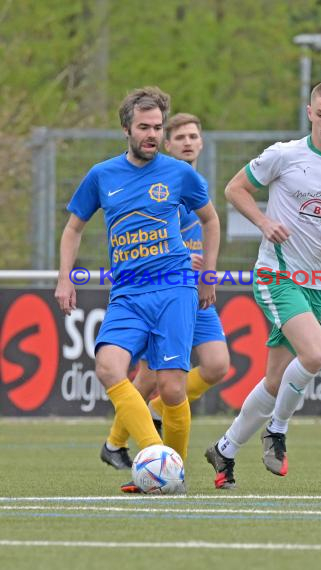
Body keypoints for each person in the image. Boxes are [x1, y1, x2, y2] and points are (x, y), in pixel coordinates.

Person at [205, 81, 321, 489]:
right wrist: (263, 222)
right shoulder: (285, 155)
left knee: (276, 381)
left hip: (316, 284)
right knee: (315, 354)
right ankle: (277, 429)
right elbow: (233, 188)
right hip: (276, 275)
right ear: (309, 112)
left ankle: (224, 450)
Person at [55, 87, 220, 474]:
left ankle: (167, 472)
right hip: (128, 293)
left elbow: (211, 220)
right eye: (144, 127)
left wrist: (208, 274)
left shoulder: (179, 173)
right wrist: (65, 277)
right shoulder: (102, 175)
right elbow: (73, 228)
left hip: (174, 288)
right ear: (126, 129)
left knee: (172, 389)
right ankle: (157, 460)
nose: (152, 135)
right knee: (109, 366)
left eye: (158, 128)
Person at [100, 113, 230, 481]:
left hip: (191, 289)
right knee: (148, 375)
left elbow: (211, 223)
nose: (189, 142)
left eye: (194, 136)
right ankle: (114, 443)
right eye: (180, 137)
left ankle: (154, 413)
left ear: (202, 142)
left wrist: (206, 271)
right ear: (166, 144)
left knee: (217, 365)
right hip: (160, 286)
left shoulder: (192, 181)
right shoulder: (154, 178)